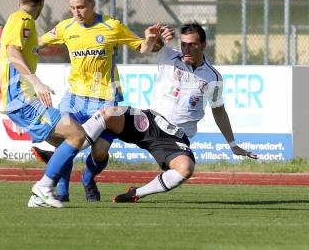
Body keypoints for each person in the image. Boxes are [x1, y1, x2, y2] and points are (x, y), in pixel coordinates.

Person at [0, 0, 173, 202]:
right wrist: (3, 44)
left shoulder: (112, 26)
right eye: (73, 8)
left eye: (82, 7)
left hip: (106, 99)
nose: (77, 12)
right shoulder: (66, 27)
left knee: (99, 152)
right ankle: (62, 193)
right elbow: (35, 43)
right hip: (74, 99)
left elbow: (142, 48)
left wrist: (152, 40)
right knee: (69, 140)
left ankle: (88, 178)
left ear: (93, 4)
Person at [70, 22, 258, 203]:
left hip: (174, 136)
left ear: (203, 45)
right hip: (148, 120)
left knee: (185, 169)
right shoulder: (169, 55)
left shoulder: (213, 77)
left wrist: (232, 144)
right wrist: (156, 35)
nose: (187, 49)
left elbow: (218, 111)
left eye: (192, 45)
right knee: (109, 115)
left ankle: (136, 193)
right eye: (184, 44)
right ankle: (62, 155)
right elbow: (154, 44)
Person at [0, 0, 106, 208]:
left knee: (67, 141)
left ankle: (47, 190)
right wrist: (37, 83)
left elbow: (12, 48)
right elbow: (14, 54)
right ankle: (42, 190)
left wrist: (0, 45)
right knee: (77, 135)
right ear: (42, 2)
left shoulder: (16, 20)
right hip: (22, 98)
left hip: (17, 99)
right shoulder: (24, 20)